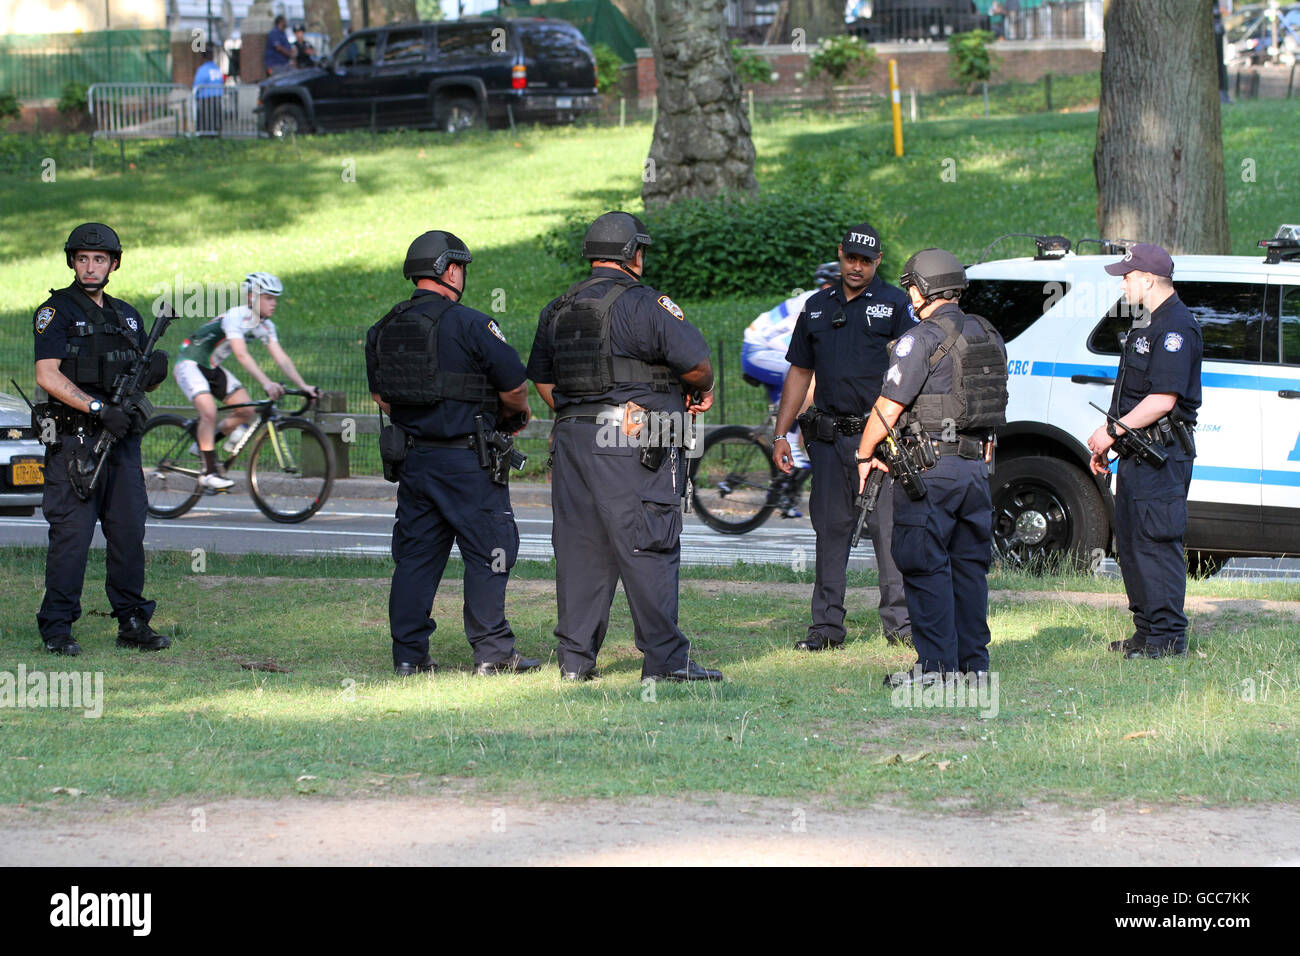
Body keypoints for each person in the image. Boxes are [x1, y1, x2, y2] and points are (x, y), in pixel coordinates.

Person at [526, 211, 722, 682]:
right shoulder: (647, 304)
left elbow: (543, 381)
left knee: (580, 548)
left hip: (573, 442)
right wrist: (692, 391)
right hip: (635, 439)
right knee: (649, 541)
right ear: (634, 253)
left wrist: (584, 414)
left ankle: (575, 662)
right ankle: (666, 662)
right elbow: (698, 366)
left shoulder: (557, 309)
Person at [367, 230, 540, 677]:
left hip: (414, 462)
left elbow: (382, 398)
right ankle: (493, 652)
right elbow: (516, 387)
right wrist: (514, 417)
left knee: (416, 558)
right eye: (461, 266)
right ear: (450, 269)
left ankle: (409, 656)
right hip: (469, 461)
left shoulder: (383, 329)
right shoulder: (472, 324)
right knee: (491, 549)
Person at [855, 248, 1008, 686]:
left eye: (910, 286)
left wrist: (864, 456)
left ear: (924, 288)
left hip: (929, 470)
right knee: (968, 568)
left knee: (924, 566)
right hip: (974, 467)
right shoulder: (988, 333)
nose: (908, 295)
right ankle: (973, 667)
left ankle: (937, 670)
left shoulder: (919, 338)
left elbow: (888, 407)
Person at [773, 224, 914, 652]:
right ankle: (826, 628)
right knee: (830, 530)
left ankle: (901, 626)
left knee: (887, 532)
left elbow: (911, 368)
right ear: (840, 254)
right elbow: (799, 371)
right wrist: (781, 432)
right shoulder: (816, 306)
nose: (856, 267)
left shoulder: (895, 304)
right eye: (850, 258)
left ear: (878, 261)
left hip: (881, 438)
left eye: (866, 261)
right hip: (830, 439)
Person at [33, 223, 172, 656]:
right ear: (72, 262)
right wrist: (96, 409)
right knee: (72, 538)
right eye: (82, 259)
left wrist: (150, 377)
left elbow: (134, 379)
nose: (90, 266)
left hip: (123, 444)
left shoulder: (128, 315)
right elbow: (47, 375)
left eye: (99, 259)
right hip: (76, 444)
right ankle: (57, 628)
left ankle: (132, 621)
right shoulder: (55, 313)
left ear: (113, 264)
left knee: (129, 533)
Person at [1087, 243, 1202, 659]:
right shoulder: (1146, 323)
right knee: (1133, 543)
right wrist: (1111, 437)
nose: (1123, 282)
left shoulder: (1175, 328)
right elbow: (1133, 397)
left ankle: (1169, 638)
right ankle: (1147, 631)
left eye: (1128, 275)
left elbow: (1163, 400)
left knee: (1156, 540)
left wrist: (1111, 432)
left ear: (1149, 279)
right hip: (1138, 452)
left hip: (1162, 456)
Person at [173, 272, 318, 491]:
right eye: (268, 298)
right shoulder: (236, 317)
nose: (274, 303)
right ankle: (209, 473)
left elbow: (282, 358)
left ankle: (203, 444)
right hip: (190, 363)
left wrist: (303, 385)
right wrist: (267, 383)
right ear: (252, 297)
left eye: (275, 298)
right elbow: (241, 355)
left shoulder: (266, 326)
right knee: (209, 412)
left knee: (246, 411)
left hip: (211, 366)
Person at [742, 261, 840, 480]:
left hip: (775, 351)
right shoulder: (815, 302)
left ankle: (786, 492)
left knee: (805, 399)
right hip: (757, 350)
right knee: (809, 377)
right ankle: (790, 438)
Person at [192, 47, 223, 136]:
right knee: (215, 118)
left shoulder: (203, 69)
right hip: (217, 96)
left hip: (205, 97)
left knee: (205, 120)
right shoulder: (217, 68)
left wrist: (195, 94)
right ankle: (216, 133)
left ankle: (205, 135)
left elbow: (197, 84)